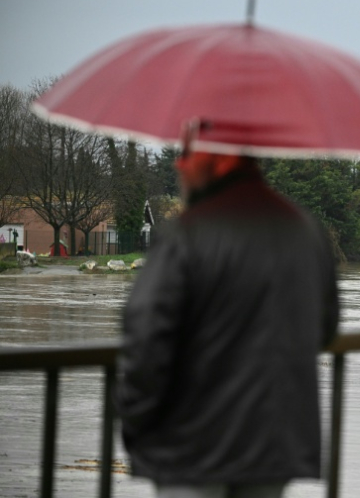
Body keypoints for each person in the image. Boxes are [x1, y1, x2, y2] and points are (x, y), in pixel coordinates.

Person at [116, 126, 340, 498]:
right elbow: (325, 328)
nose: (179, 163)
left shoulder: (187, 234)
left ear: (221, 158)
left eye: (188, 154)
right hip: (274, 442)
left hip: (193, 442)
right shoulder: (305, 230)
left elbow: (145, 339)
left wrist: (135, 422)